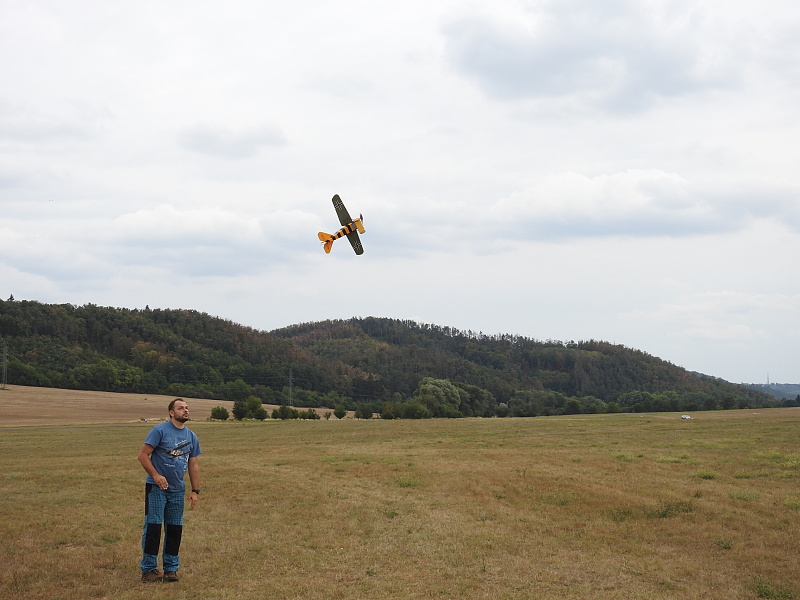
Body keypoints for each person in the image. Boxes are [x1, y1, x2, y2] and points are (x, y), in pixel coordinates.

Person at [137, 398, 201, 583]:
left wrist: (195, 490)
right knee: (154, 528)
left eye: (187, 408)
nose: (185, 410)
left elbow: (193, 464)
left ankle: (171, 569)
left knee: (174, 529)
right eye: (181, 408)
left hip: (177, 490)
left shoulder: (191, 436)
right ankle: (148, 570)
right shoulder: (159, 430)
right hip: (157, 489)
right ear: (171, 412)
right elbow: (142, 455)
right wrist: (156, 475)